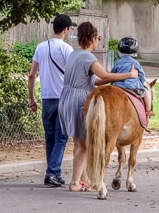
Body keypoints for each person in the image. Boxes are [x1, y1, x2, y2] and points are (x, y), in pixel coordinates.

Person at [58, 21, 138, 192]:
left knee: (78, 143)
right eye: (98, 38)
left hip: (66, 97)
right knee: (83, 145)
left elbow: (95, 80)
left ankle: (82, 179)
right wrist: (129, 74)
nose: (98, 41)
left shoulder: (73, 54)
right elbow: (105, 75)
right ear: (92, 38)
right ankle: (74, 183)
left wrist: (113, 79)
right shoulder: (88, 57)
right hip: (79, 98)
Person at [28, 14, 76, 187]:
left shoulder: (40, 47)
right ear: (65, 30)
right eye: (69, 29)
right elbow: (73, 75)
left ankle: (54, 172)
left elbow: (32, 74)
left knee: (50, 138)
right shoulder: (67, 49)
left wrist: (31, 98)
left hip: (46, 98)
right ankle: (52, 173)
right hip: (63, 98)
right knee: (61, 138)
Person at [111, 37, 155, 116]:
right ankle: (148, 110)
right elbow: (142, 75)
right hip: (133, 86)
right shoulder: (135, 62)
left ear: (119, 52)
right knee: (146, 93)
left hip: (118, 86)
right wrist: (141, 83)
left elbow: (113, 73)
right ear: (135, 53)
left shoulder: (117, 62)